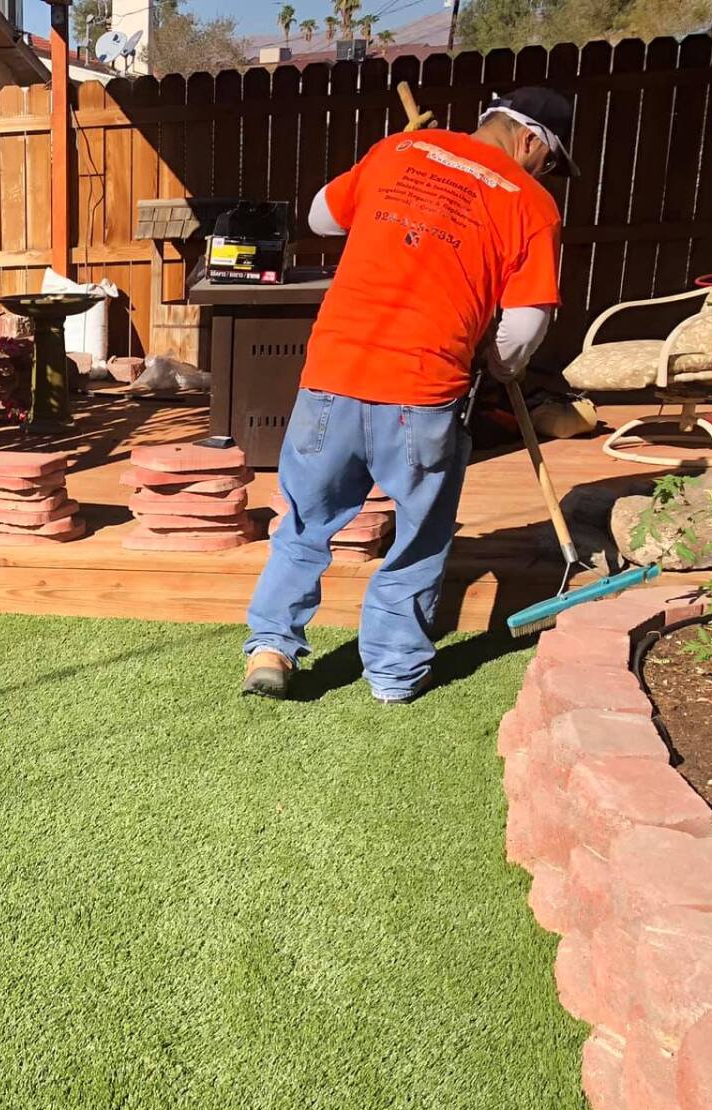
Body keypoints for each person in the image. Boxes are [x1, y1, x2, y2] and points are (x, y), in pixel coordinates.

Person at [242, 86, 576, 704]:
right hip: (423, 392)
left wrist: (388, 167)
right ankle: (394, 676)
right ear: (531, 140)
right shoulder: (531, 203)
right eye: (550, 160)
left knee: (306, 522)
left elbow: (321, 215)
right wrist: (503, 366)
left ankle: (270, 648)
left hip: (330, 379)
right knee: (419, 536)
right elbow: (524, 325)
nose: (545, 171)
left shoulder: (400, 149)